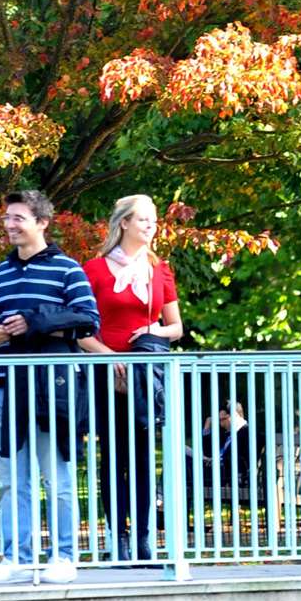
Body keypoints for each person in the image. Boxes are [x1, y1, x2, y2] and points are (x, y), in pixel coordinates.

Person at [0, 189, 100, 584]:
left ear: (42, 223)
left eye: (18, 218)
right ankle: (14, 556)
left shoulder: (67, 269)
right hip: (7, 384)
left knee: (58, 476)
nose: (10, 225)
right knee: (12, 477)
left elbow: (87, 319)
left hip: (54, 388)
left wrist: (34, 321)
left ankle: (64, 556)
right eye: (7, 218)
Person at [80, 195, 183, 560]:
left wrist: (153, 330)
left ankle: (143, 538)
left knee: (141, 457)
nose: (150, 226)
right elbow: (80, 332)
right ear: (123, 223)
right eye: (142, 219)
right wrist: (110, 359)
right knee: (112, 456)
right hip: (107, 374)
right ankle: (118, 538)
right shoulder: (93, 270)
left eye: (153, 220)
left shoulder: (159, 269)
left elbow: (176, 328)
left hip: (143, 376)